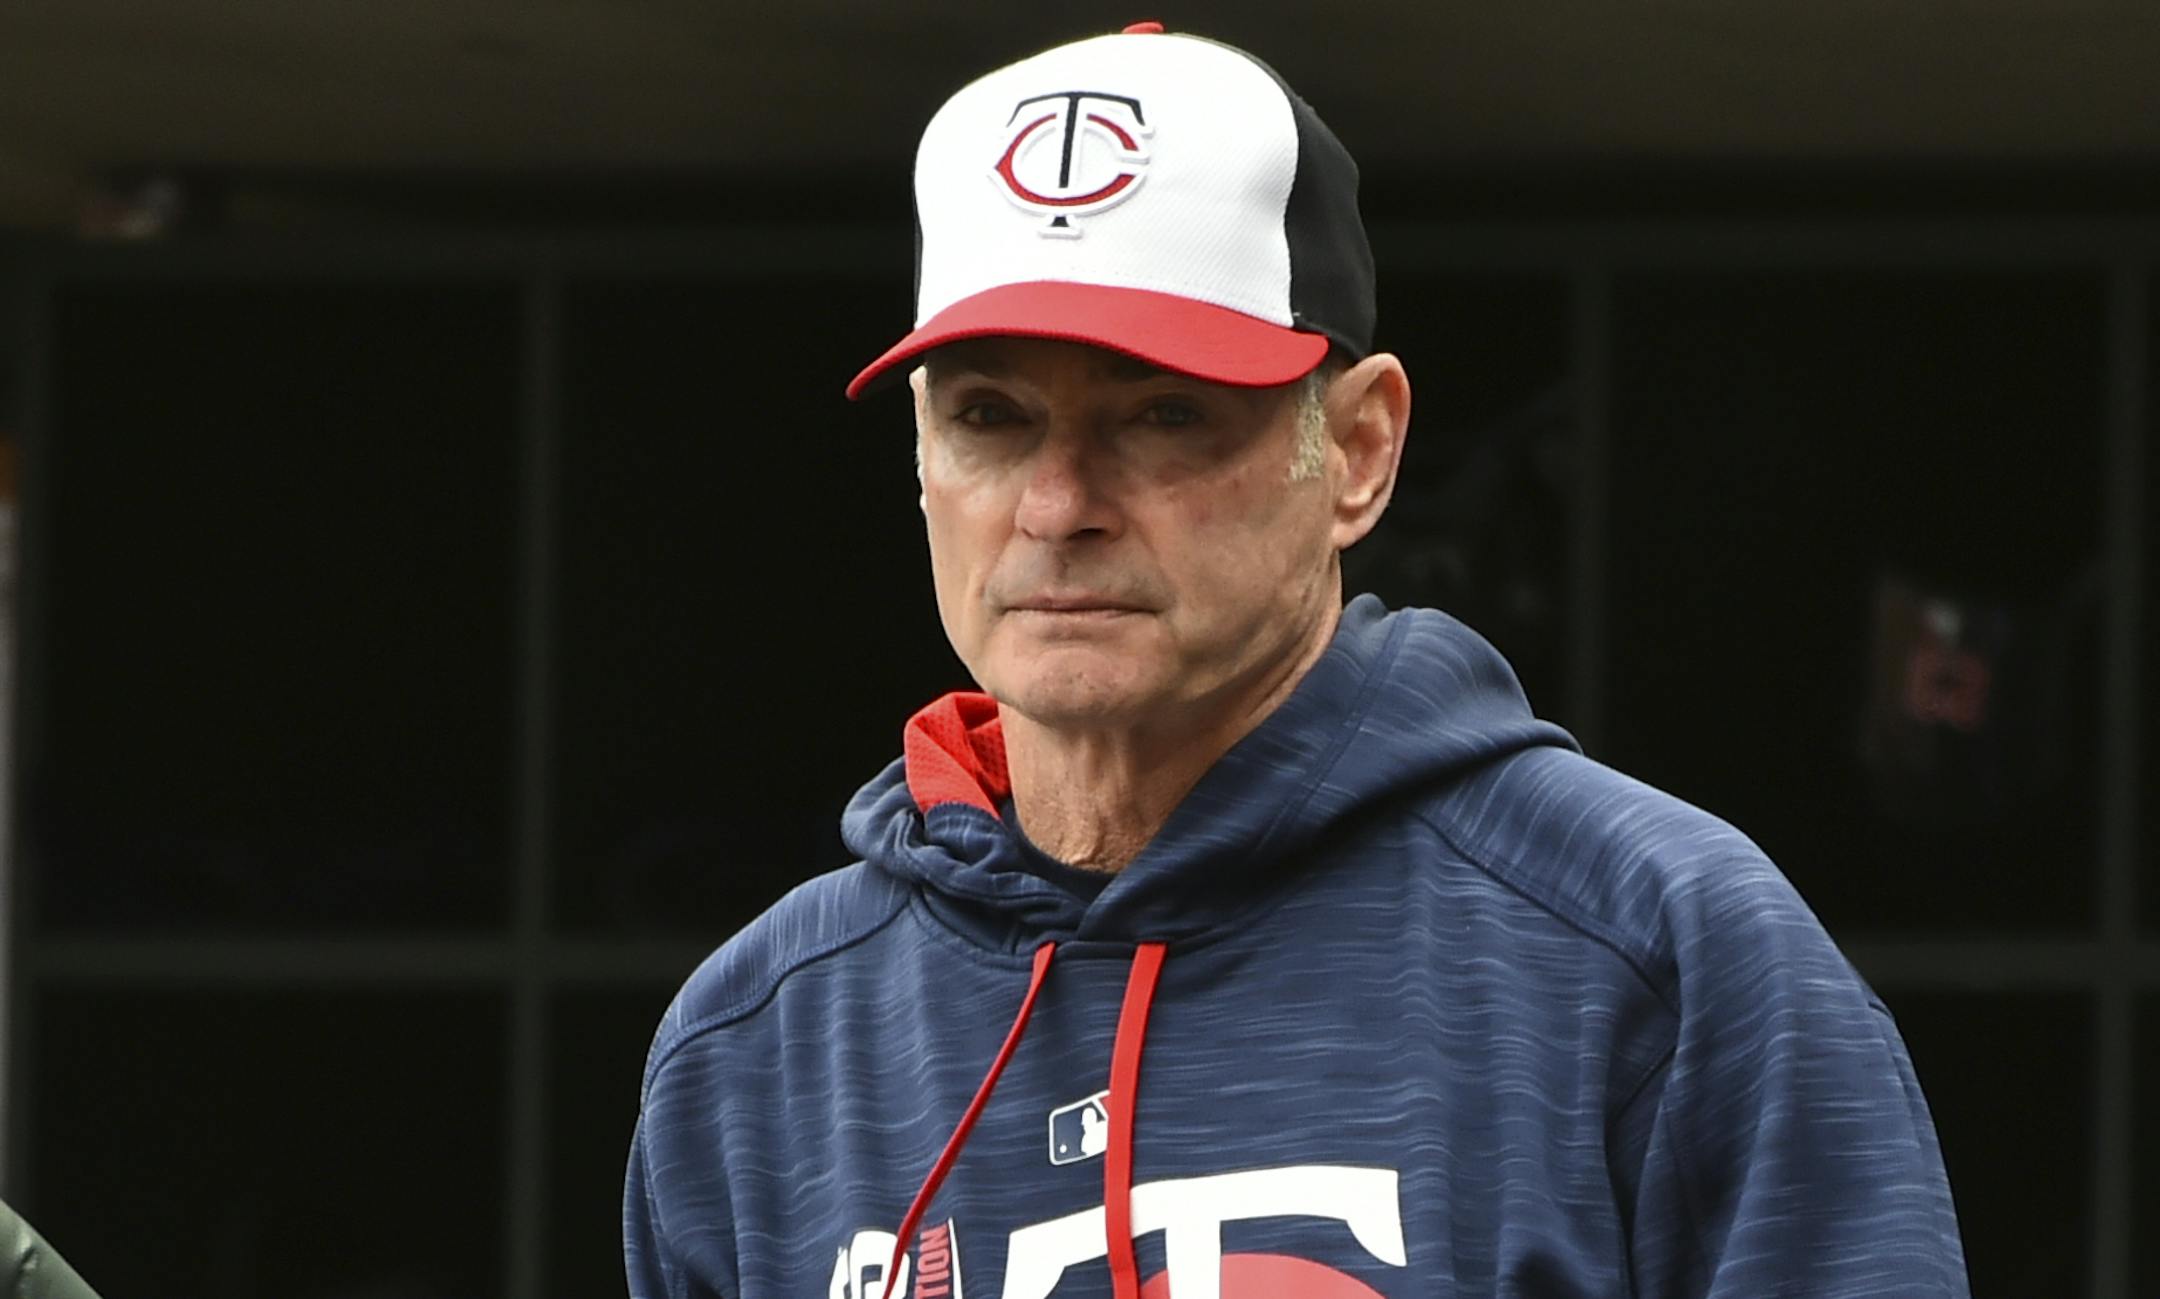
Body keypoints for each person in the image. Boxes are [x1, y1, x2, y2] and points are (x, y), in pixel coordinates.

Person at [625, 23, 1969, 1299]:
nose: (1056, 505)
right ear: (920, 456)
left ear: (1362, 452)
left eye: (1162, 414)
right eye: (991, 416)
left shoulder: (1653, 953)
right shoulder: (759, 1043)